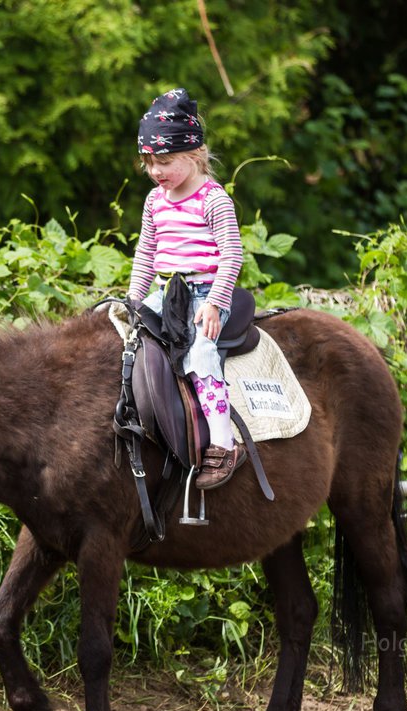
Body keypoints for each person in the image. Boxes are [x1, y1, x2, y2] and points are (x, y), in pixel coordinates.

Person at [129, 87, 246, 490]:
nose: (156, 171)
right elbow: (146, 254)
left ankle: (223, 443)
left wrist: (215, 303)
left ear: (194, 155)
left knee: (200, 353)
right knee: (126, 339)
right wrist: (132, 301)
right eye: (149, 164)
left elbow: (232, 255)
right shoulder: (154, 201)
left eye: (164, 162)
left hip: (204, 294)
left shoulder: (213, 199)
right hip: (166, 292)